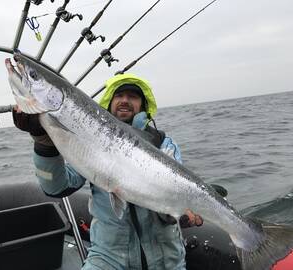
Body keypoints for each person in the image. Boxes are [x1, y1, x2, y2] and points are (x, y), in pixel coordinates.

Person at [13, 73, 203, 270]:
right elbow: (56, 187)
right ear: (109, 101)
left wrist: (175, 213)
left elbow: (176, 195)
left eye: (133, 96)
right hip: (107, 258)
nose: (125, 101)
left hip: (166, 262)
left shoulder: (164, 145)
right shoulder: (89, 141)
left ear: (143, 105)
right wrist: (43, 143)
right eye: (119, 95)